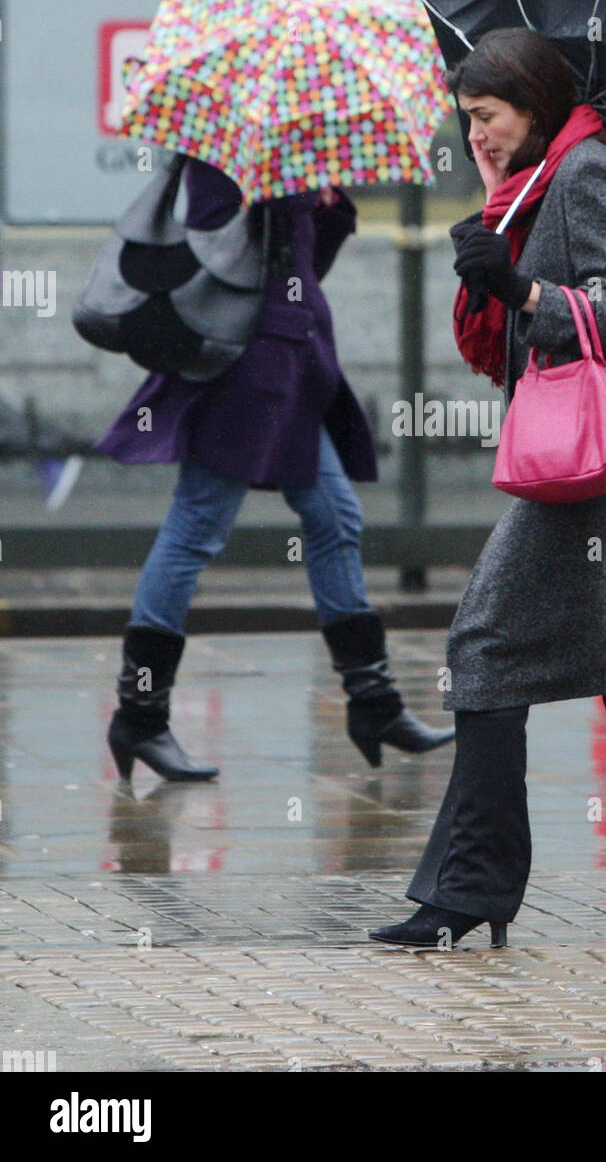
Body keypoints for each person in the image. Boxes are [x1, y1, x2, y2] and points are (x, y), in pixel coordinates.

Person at [369, 28, 606, 950]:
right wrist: (501, 279)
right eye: (466, 120)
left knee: (485, 646)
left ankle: (468, 892)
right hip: (604, 450)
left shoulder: (588, 174)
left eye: (487, 116)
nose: (476, 136)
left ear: (533, 106)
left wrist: (524, 290)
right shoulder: (541, 184)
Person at [94, 157, 453, 781]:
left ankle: (374, 703)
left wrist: (327, 206)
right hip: (239, 373)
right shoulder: (224, 154)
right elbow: (214, 246)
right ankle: (140, 716)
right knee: (197, 525)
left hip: (288, 372)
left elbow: (303, 271)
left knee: (334, 516)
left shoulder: (289, 153)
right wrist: (273, 196)